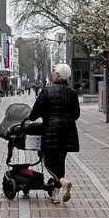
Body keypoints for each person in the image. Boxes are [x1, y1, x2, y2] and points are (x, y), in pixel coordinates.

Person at [27, 63, 80, 204]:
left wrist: (30, 118)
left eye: (53, 72)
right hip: (67, 131)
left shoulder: (47, 91)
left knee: (49, 162)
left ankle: (63, 182)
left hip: (50, 130)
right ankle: (55, 196)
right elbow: (76, 114)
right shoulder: (72, 93)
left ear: (57, 75)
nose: (52, 74)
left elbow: (36, 110)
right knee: (60, 162)